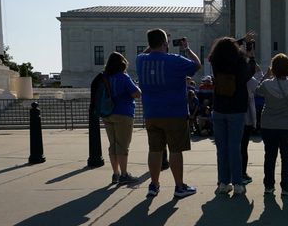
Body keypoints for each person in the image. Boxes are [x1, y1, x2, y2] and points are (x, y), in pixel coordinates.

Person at [135, 29, 201, 198]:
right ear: (165, 43)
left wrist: (156, 45)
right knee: (175, 150)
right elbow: (197, 65)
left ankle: (154, 184)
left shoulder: (141, 60)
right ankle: (179, 187)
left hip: (151, 113)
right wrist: (186, 49)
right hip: (174, 113)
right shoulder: (175, 60)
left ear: (149, 44)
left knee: (155, 150)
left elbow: (146, 52)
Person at [208, 35, 257, 196]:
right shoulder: (239, 61)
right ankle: (237, 183)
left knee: (221, 148)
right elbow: (247, 76)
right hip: (236, 109)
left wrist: (240, 41)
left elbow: (226, 46)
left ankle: (223, 183)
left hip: (219, 108)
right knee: (235, 147)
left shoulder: (215, 61)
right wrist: (251, 57)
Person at [256, 53, 288, 196]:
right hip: (287, 126)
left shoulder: (266, 84)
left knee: (270, 156)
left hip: (268, 124)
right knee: (287, 156)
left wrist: (266, 74)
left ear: (273, 69)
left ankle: (269, 185)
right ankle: (285, 185)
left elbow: (257, 89)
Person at [92, 52, 141, 185]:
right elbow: (136, 93)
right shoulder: (123, 77)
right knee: (123, 146)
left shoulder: (105, 77)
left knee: (113, 145)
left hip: (107, 113)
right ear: (122, 64)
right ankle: (124, 175)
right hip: (123, 114)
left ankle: (116, 174)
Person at [241, 66, 262, 185]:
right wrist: (252, 59)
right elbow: (259, 82)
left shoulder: (232, 76)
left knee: (231, 147)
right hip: (246, 118)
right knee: (243, 148)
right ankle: (242, 173)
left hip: (232, 116)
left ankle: (226, 176)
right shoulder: (248, 80)